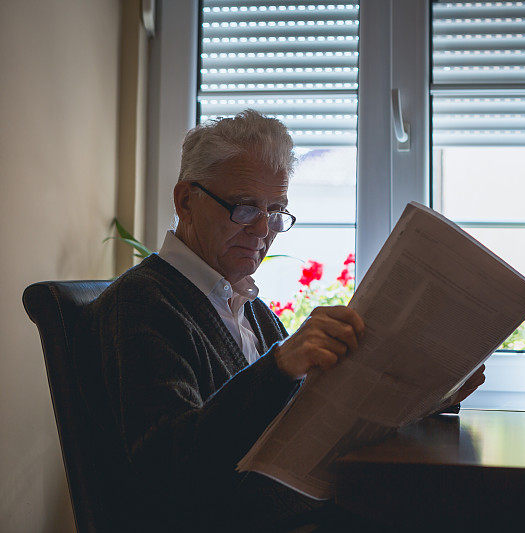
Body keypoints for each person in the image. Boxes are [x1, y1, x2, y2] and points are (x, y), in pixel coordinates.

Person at [85, 109, 485, 531]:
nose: (262, 230)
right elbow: (168, 468)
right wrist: (279, 367)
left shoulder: (246, 305)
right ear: (186, 200)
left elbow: (307, 422)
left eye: (276, 211)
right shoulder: (142, 303)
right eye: (243, 208)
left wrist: (415, 401)